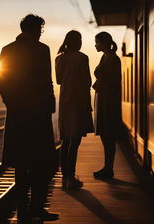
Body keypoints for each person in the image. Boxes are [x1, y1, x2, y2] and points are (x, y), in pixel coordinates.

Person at [0, 14, 59, 223]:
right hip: (38, 114)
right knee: (45, 162)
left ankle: (23, 210)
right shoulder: (42, 50)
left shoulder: (7, 49)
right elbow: (46, 80)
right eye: (41, 29)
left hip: (17, 113)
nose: (42, 33)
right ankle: (36, 207)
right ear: (35, 30)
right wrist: (50, 105)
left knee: (21, 164)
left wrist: (9, 101)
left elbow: (0, 77)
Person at [55, 30, 94, 189]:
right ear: (77, 42)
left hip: (65, 102)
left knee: (65, 140)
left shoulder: (60, 58)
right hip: (79, 102)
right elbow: (87, 81)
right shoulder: (82, 58)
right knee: (75, 141)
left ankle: (66, 177)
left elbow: (58, 80)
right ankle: (71, 177)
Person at [92, 31, 122, 179]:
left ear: (104, 43)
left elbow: (112, 80)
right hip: (105, 100)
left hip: (108, 102)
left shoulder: (112, 59)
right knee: (105, 136)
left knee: (108, 136)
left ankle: (108, 169)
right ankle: (107, 167)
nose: (95, 45)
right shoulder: (106, 57)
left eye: (97, 42)